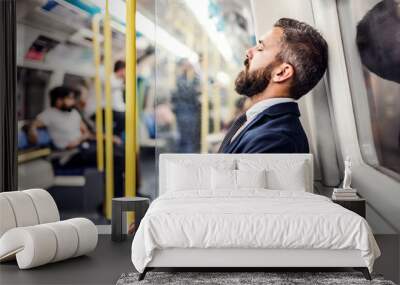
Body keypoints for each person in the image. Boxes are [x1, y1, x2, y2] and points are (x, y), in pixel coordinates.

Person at [218, 18, 328, 153]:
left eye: (260, 48)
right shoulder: (257, 120)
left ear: (281, 72)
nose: (248, 52)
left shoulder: (276, 139)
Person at [28, 86, 125, 198]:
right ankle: (116, 199)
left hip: (83, 147)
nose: (73, 101)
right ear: (59, 100)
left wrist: (108, 138)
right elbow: (33, 124)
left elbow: (87, 133)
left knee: (121, 151)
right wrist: (32, 130)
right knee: (116, 158)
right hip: (69, 155)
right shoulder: (49, 114)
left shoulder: (74, 113)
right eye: (70, 98)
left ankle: (118, 195)